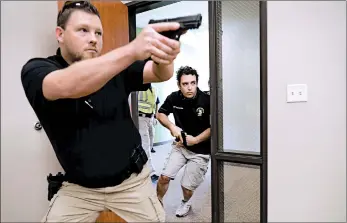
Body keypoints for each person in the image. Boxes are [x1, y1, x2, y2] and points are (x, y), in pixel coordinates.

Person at [20, 1, 183, 222]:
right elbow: (66, 85)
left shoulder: (115, 66)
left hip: (131, 182)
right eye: (83, 30)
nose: (94, 39)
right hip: (80, 189)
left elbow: (159, 73)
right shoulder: (37, 70)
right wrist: (133, 49)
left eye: (98, 32)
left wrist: (165, 57)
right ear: (60, 34)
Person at [156, 66, 211, 217]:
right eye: (185, 84)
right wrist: (172, 127)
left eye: (193, 83)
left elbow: (215, 127)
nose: (190, 87)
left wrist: (196, 140)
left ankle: (185, 202)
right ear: (179, 85)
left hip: (201, 152)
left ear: (197, 83)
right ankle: (158, 202)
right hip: (180, 146)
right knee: (164, 177)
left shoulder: (207, 100)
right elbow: (160, 114)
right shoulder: (174, 97)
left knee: (186, 187)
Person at [137, 84, 160, 181]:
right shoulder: (137, 88)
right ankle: (151, 172)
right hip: (140, 118)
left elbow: (156, 103)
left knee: (150, 143)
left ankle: (143, 163)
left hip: (150, 118)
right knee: (145, 144)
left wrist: (155, 116)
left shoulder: (154, 89)